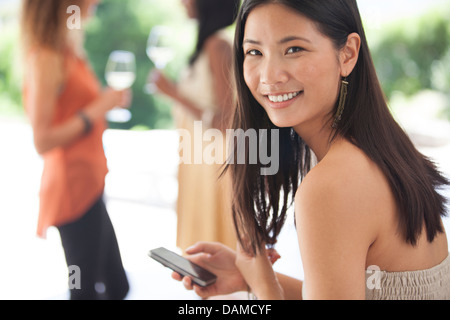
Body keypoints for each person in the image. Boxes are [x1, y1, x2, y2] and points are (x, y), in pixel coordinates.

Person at [171, 0, 450, 300]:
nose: (269, 76)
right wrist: (251, 279)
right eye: (255, 52)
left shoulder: (331, 186)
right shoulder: (383, 149)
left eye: (294, 49)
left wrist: (265, 288)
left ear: (348, 53)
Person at [20, 0, 130, 299]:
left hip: (90, 185)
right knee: (83, 289)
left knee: (117, 285)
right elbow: (42, 140)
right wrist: (97, 109)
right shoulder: (45, 57)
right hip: (71, 190)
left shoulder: (69, 53)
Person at [150, 0, 240, 252]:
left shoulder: (218, 46)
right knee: (203, 253)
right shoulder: (208, 45)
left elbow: (227, 121)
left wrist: (173, 93)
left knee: (215, 251)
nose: (182, 2)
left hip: (213, 162)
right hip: (198, 160)